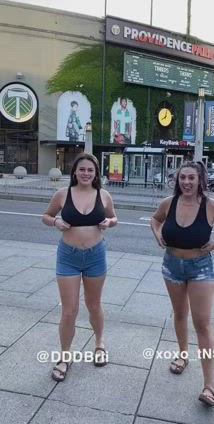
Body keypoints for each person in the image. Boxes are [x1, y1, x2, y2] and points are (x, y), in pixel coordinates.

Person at [151, 161, 214, 407]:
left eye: (191, 178)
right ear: (177, 181)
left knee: (203, 324)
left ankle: (209, 386)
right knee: (179, 314)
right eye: (182, 178)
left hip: (200, 267)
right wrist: (157, 233)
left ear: (201, 180)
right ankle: (182, 355)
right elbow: (155, 220)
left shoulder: (211, 206)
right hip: (172, 265)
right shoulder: (169, 203)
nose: (186, 182)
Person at [42, 153, 117, 381]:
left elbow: (114, 218)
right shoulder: (62, 194)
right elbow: (46, 215)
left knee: (94, 305)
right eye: (82, 169)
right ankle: (65, 356)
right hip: (68, 257)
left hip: (96, 256)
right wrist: (55, 221)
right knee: (69, 310)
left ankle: (100, 343)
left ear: (96, 174)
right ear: (75, 171)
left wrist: (109, 222)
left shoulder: (103, 195)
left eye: (90, 170)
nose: (86, 173)